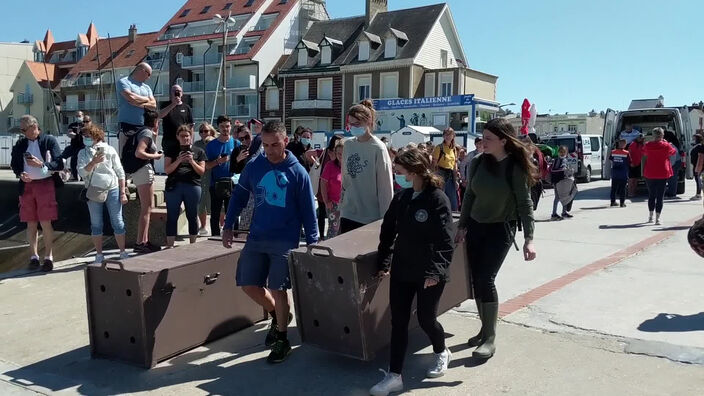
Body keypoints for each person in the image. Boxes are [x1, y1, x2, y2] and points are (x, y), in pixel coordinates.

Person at [221, 120, 318, 364]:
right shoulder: (255, 165)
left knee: (278, 288)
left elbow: (309, 210)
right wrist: (228, 225)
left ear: (285, 141)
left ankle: (282, 339)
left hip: (285, 241)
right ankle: (278, 314)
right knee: (248, 284)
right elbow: (240, 195)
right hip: (257, 237)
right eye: (265, 145)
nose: (271, 150)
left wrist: (313, 242)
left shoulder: (298, 172)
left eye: (275, 144)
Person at [370, 148, 455, 396]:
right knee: (399, 322)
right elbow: (387, 233)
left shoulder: (437, 199)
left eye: (399, 169)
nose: (396, 172)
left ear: (414, 170)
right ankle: (395, 375)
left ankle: (441, 351)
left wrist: (435, 272)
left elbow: (445, 240)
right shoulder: (402, 198)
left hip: (429, 272)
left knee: (426, 319)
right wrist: (383, 263)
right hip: (403, 269)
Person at [456, 117, 536, 360]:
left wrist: (529, 238)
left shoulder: (515, 167)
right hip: (476, 228)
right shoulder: (478, 162)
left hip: (500, 229)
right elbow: (469, 195)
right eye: (482, 138)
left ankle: (490, 338)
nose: (483, 142)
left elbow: (525, 203)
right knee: (476, 280)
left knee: (486, 278)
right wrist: (462, 225)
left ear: (503, 140)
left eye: (489, 139)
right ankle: (484, 329)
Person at [10, 115, 64, 272]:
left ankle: (48, 257)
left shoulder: (49, 141)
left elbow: (59, 163)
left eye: (23, 129)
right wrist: (20, 173)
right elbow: (14, 164)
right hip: (27, 186)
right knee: (30, 222)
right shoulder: (21, 143)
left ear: (34, 127)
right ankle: (33, 257)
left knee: (46, 222)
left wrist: (42, 165)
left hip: (45, 184)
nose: (22, 132)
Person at [339, 100, 394, 234]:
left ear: (368, 121)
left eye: (357, 124)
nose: (353, 127)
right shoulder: (348, 145)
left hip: (370, 217)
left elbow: (385, 189)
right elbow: (345, 180)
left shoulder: (378, 148)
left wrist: (386, 221)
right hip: (348, 213)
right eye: (350, 124)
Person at [77, 124, 129, 263]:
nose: (85, 138)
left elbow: (119, 171)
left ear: (95, 136)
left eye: (87, 136)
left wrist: (123, 192)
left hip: (112, 188)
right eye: (84, 136)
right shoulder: (83, 153)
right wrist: (93, 162)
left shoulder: (110, 150)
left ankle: (123, 252)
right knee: (96, 224)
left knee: (117, 222)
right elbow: (81, 172)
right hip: (94, 190)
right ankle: (99, 254)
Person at [122, 109, 163, 253]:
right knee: (146, 208)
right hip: (143, 170)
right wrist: (155, 157)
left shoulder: (143, 132)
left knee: (148, 207)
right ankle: (140, 242)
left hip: (140, 171)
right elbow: (139, 153)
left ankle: (144, 241)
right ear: (155, 121)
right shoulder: (146, 133)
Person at [163, 125, 206, 248]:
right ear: (177, 137)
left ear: (191, 136)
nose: (185, 138)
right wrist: (178, 161)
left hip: (192, 185)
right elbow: (167, 170)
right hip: (174, 186)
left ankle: (193, 244)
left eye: (187, 135)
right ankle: (170, 246)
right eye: (182, 136)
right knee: (172, 216)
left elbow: (202, 171)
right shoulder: (171, 150)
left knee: (192, 215)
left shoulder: (199, 151)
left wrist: (192, 161)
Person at [205, 115, 240, 236]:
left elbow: (242, 166)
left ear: (231, 127)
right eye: (222, 126)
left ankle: (233, 236)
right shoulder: (211, 145)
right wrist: (218, 162)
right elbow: (206, 166)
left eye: (227, 126)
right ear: (218, 127)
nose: (225, 129)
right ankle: (214, 237)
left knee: (233, 214)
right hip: (216, 184)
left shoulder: (236, 143)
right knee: (215, 214)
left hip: (232, 184)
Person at [306, 134, 343, 239]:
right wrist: (316, 163)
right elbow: (308, 154)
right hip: (325, 190)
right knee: (323, 214)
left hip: (340, 198)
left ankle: (323, 237)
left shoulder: (345, 163)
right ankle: (322, 237)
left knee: (338, 226)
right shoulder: (324, 152)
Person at [117, 62, 156, 156]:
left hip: (144, 126)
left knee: (147, 151)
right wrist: (146, 99)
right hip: (126, 125)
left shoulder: (147, 88)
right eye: (148, 74)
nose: (149, 77)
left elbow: (153, 105)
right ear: (142, 71)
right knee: (125, 154)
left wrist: (138, 104)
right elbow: (130, 97)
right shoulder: (123, 82)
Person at [643, 127, 676, 225]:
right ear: (662, 135)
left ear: (653, 136)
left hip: (650, 172)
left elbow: (644, 153)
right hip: (662, 172)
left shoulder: (648, 145)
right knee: (660, 196)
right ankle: (657, 218)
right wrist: (666, 142)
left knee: (651, 195)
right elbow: (673, 152)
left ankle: (650, 216)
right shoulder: (666, 145)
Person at [230, 124, 257, 231]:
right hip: (242, 185)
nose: (245, 141)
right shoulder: (237, 150)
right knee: (238, 211)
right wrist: (238, 159)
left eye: (247, 137)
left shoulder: (257, 148)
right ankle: (237, 232)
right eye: (241, 139)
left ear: (251, 135)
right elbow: (232, 169)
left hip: (256, 185)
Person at [194, 122, 218, 235]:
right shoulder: (197, 144)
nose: (203, 133)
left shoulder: (216, 142)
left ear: (211, 131)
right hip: (202, 176)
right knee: (201, 203)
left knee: (219, 203)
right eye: (201, 131)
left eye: (206, 131)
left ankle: (221, 225)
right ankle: (203, 227)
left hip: (215, 174)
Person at [158, 84, 193, 153]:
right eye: (174, 91)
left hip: (183, 140)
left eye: (179, 91)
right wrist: (174, 104)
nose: (177, 92)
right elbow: (160, 115)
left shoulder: (186, 107)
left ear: (182, 93)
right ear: (171, 93)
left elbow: (191, 125)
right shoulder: (165, 105)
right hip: (169, 140)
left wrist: (191, 140)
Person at [320, 139, 344, 239]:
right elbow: (323, 184)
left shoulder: (350, 166)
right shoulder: (330, 166)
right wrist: (326, 201)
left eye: (343, 153)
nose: (340, 156)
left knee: (345, 229)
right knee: (333, 229)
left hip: (348, 204)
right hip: (333, 203)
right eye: (338, 153)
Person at [432, 128, 460, 211]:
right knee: (440, 199)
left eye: (450, 134)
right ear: (443, 136)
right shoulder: (439, 148)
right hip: (441, 176)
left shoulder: (454, 149)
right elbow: (434, 164)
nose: (448, 136)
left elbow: (454, 166)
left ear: (453, 136)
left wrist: (456, 180)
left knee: (453, 201)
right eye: (446, 134)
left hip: (450, 176)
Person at [550, 146, 575, 220]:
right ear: (558, 152)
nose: (562, 153)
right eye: (561, 152)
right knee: (561, 197)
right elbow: (564, 168)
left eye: (563, 152)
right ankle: (555, 214)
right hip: (561, 181)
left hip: (556, 181)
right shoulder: (564, 160)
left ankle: (561, 212)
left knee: (561, 197)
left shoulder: (555, 160)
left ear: (566, 153)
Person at [61, 110, 86, 180]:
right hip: (74, 146)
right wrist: (77, 133)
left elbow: (86, 135)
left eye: (79, 116)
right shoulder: (72, 125)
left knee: (81, 162)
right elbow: (70, 134)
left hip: (82, 146)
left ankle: (82, 177)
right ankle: (74, 176)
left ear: (83, 116)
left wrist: (79, 133)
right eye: (76, 116)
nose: (78, 117)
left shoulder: (85, 125)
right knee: (73, 161)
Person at [609, 138, 630, 208]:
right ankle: (622, 203)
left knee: (613, 188)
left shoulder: (613, 152)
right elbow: (629, 162)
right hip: (623, 174)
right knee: (622, 189)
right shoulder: (626, 153)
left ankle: (612, 202)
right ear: (625, 145)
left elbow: (611, 160)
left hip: (615, 173)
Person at [664, 131, 681, 198]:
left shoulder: (671, 146)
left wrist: (669, 167)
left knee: (672, 178)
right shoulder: (671, 144)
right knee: (671, 178)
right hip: (674, 161)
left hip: (675, 162)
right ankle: (671, 192)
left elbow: (672, 158)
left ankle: (672, 194)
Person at [691, 134, 704, 200]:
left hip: (698, 165)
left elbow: (699, 157)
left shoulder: (698, 146)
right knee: (698, 179)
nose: (693, 139)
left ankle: (698, 194)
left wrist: (696, 165)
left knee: (698, 179)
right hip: (697, 164)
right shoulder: (698, 146)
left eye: (694, 138)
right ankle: (698, 194)